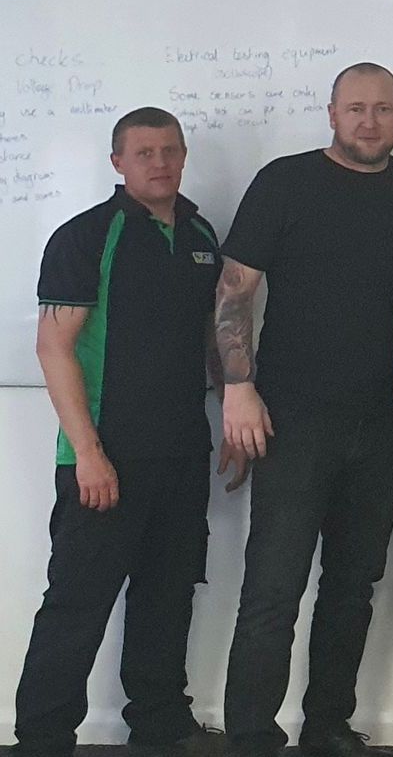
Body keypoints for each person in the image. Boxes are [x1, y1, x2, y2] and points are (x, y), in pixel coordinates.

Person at [215, 62, 393, 757]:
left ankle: (326, 727)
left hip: (384, 427)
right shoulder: (285, 182)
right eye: (355, 108)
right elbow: (234, 294)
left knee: (352, 587)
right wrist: (237, 389)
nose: (368, 121)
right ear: (332, 113)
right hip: (292, 423)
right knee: (273, 592)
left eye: (382, 109)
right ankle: (253, 736)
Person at [13, 108, 232, 757]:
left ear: (184, 155)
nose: (159, 162)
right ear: (118, 163)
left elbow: (215, 339)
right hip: (103, 459)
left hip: (182, 455)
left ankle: (159, 723)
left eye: (169, 150)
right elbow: (54, 348)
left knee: (167, 600)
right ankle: (42, 741)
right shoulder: (87, 237)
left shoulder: (200, 233)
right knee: (76, 609)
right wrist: (88, 454)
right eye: (143, 152)